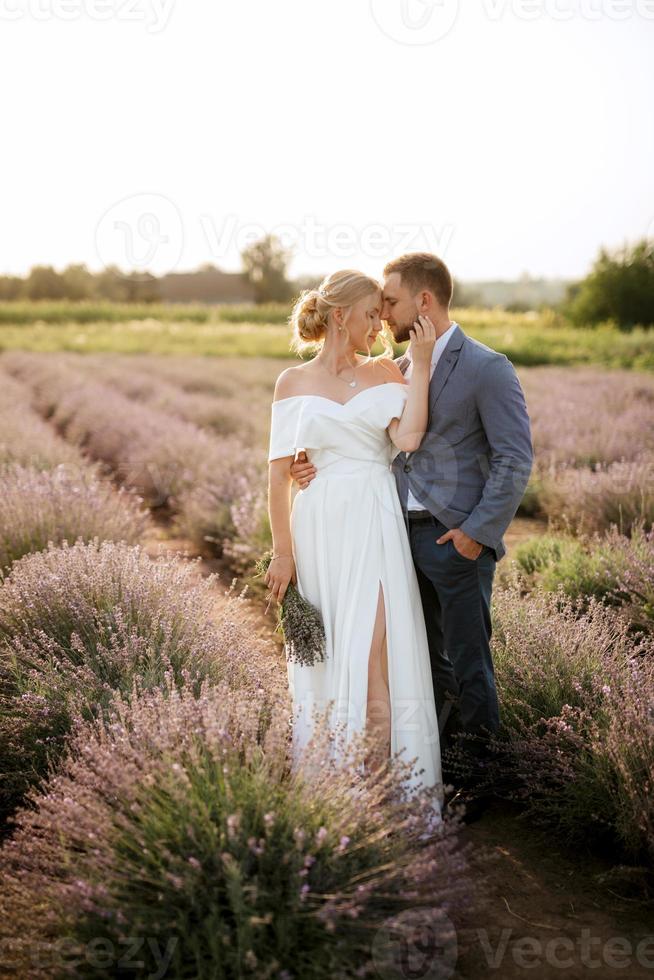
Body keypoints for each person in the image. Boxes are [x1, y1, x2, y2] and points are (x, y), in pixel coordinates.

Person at [291, 253, 534, 818]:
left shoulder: (487, 367)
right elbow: (374, 437)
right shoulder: (396, 367)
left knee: (472, 663)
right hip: (390, 538)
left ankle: (486, 784)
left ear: (424, 301)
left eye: (392, 302)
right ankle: (440, 771)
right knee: (421, 665)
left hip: (455, 541)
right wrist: (311, 462)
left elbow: (514, 459)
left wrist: (476, 533)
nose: (385, 313)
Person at [265, 268, 444, 815]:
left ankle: (382, 792)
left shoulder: (387, 369)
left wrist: (425, 365)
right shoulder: (291, 383)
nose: (380, 323)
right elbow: (276, 478)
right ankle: (335, 790)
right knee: (331, 654)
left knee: (372, 654)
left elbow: (408, 437)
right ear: (340, 316)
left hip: (373, 518)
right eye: (372, 313)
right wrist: (283, 552)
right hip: (318, 528)